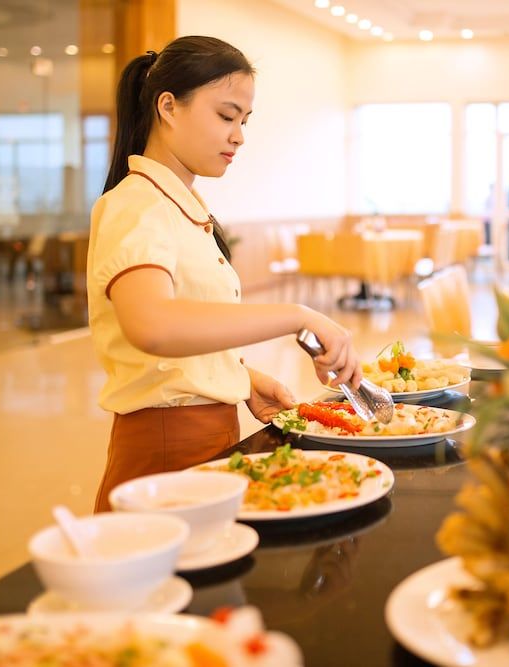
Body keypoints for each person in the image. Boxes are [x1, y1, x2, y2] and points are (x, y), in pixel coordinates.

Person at [88, 36, 361, 511]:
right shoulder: (136, 204)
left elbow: (176, 337)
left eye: (244, 121)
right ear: (168, 107)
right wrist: (297, 315)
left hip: (207, 432)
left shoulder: (179, 205)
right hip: (168, 446)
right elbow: (153, 326)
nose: (239, 136)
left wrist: (241, 376)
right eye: (226, 115)